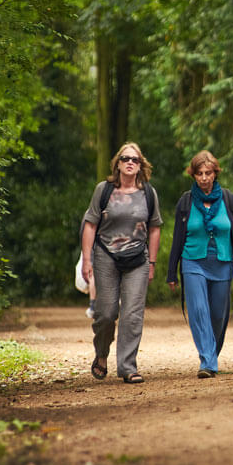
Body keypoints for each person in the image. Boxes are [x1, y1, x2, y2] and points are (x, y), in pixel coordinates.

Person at [81, 142, 163, 384]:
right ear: (117, 163)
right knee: (106, 313)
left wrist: (153, 262)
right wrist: (87, 259)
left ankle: (128, 366)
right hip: (106, 255)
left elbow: (155, 228)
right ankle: (102, 353)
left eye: (135, 160)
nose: (130, 162)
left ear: (140, 166)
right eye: (125, 158)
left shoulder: (148, 193)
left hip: (138, 258)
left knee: (133, 314)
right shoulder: (103, 190)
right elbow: (90, 224)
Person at [166, 151, 233, 378]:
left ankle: (211, 354)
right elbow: (178, 237)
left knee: (218, 317)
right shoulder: (186, 201)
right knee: (199, 310)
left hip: (222, 263)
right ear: (193, 175)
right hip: (193, 262)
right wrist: (171, 271)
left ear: (215, 174)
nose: (203, 178)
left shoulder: (229, 200)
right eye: (199, 174)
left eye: (208, 173)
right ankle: (208, 361)